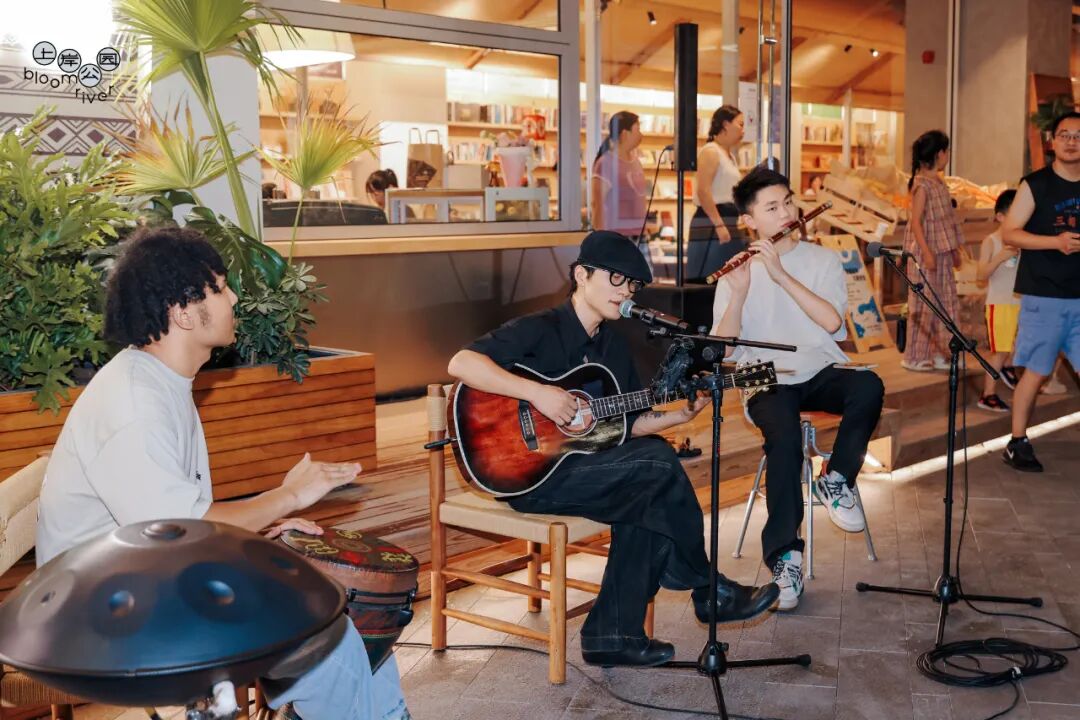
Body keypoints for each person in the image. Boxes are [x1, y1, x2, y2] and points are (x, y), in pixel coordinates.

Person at [36, 227, 409, 720]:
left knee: (346, 615)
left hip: (138, 584)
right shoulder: (134, 405)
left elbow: (180, 524)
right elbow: (179, 530)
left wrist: (262, 524)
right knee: (324, 636)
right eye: (219, 288)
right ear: (182, 311)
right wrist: (288, 497)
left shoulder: (159, 380)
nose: (233, 298)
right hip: (99, 619)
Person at [447, 230, 779, 668]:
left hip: (584, 469)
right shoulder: (540, 328)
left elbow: (626, 424)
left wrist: (679, 416)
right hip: (527, 473)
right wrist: (537, 393)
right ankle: (705, 590)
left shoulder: (613, 346)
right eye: (616, 279)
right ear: (581, 275)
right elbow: (461, 363)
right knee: (657, 469)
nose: (626, 292)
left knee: (652, 487)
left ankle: (613, 636)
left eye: (633, 285)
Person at [711, 167, 885, 611]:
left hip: (817, 366)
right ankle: (785, 559)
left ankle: (837, 479)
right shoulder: (737, 270)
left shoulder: (822, 260)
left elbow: (831, 323)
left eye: (788, 201)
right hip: (762, 376)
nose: (786, 212)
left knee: (868, 385)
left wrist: (781, 275)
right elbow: (725, 351)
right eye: (772, 207)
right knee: (785, 438)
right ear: (749, 221)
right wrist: (739, 292)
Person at [999, 111, 1080, 472]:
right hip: (1043, 296)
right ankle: (1017, 442)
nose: (1071, 142)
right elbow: (1010, 233)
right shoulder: (1036, 184)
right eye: (1065, 135)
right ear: (1053, 141)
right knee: (1035, 371)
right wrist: (1056, 242)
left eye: (1078, 136)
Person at [901, 130, 964, 373]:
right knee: (924, 304)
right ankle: (915, 355)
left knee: (945, 303)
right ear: (939, 154)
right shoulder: (922, 186)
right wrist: (926, 253)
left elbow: (947, 220)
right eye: (946, 151)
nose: (948, 155)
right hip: (926, 254)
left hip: (942, 252)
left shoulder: (939, 182)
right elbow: (916, 222)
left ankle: (940, 352)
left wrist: (954, 250)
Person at [688, 105, 747, 282]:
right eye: (740, 124)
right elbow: (703, 191)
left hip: (728, 220)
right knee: (709, 278)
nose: (743, 130)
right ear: (726, 124)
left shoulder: (730, 155)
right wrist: (719, 225)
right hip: (713, 221)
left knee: (730, 278)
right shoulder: (711, 151)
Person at [975, 189, 1020, 412]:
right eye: (1014, 214)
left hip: (1020, 301)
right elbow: (981, 275)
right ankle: (988, 394)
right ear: (1000, 216)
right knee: (1000, 349)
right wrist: (1001, 257)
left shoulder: (1022, 238)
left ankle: (1007, 366)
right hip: (1000, 303)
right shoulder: (991, 241)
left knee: (1018, 343)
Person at [591, 111, 648, 241]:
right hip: (615, 238)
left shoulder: (636, 161)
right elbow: (597, 205)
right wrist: (601, 240)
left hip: (638, 237)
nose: (641, 135)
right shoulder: (606, 163)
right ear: (625, 134)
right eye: (638, 130)